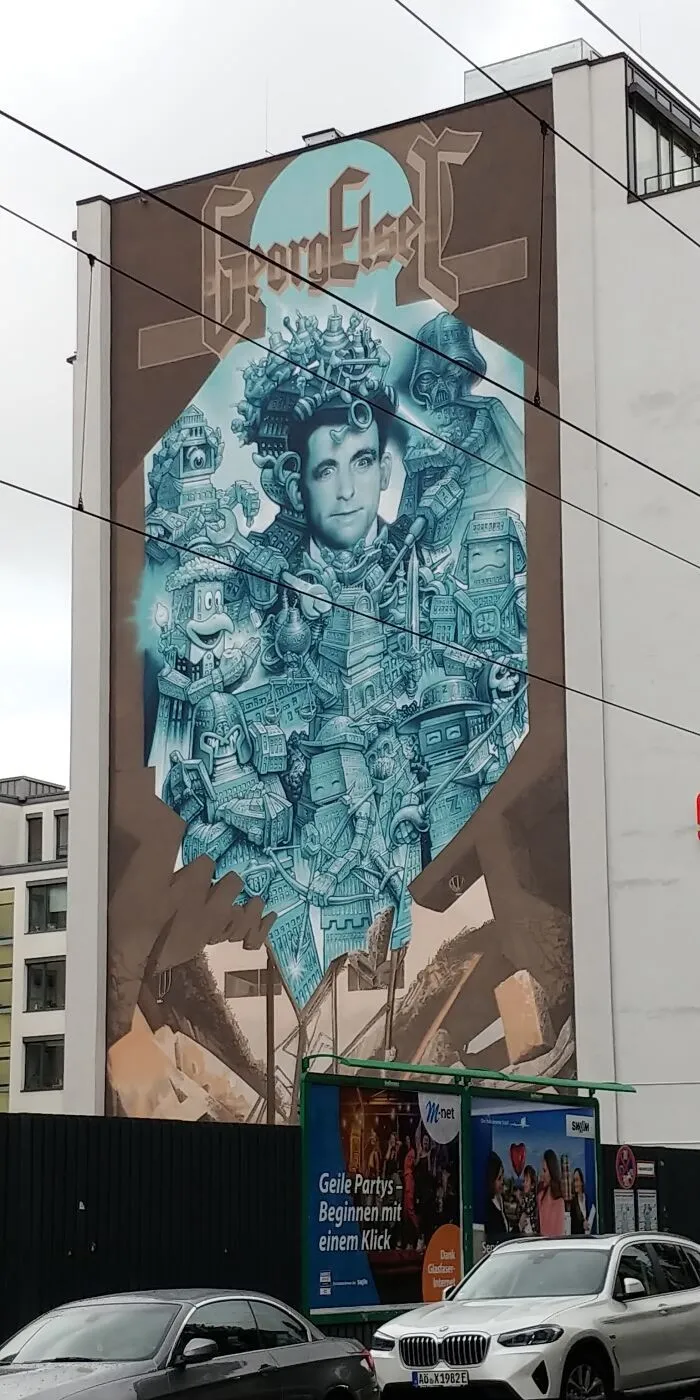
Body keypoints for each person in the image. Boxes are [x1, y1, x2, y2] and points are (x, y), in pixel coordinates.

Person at [537, 1150, 566, 1238]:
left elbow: (558, 1235)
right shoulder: (540, 1196)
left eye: (544, 1171)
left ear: (552, 1171)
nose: (542, 1174)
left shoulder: (559, 1202)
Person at [484, 1152, 511, 1246]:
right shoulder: (488, 1207)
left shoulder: (500, 1200)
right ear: (492, 1180)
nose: (502, 1181)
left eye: (502, 1177)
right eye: (499, 1178)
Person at [518, 1164, 539, 1236]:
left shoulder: (534, 1198)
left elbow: (528, 1210)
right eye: (524, 1181)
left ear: (532, 1185)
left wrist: (520, 1201)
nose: (524, 1184)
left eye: (527, 1181)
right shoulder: (525, 1198)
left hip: (532, 1233)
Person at [570, 1168, 589, 1236]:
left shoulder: (587, 1198)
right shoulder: (573, 1202)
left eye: (577, 1180)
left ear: (582, 1182)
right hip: (578, 1238)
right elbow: (573, 1225)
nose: (575, 1184)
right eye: (574, 1181)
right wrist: (582, 1225)